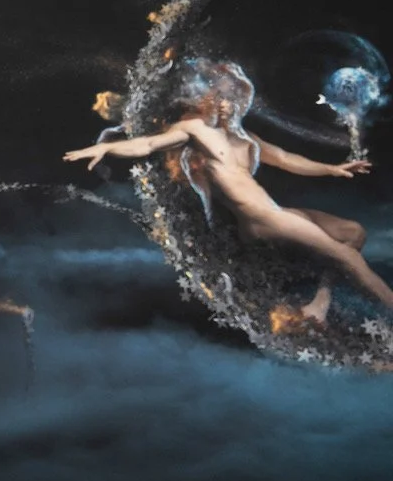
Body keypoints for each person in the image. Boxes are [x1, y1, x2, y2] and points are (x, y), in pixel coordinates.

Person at [64, 58, 391, 322]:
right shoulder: (196, 130)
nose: (223, 103)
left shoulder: (245, 138)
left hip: (275, 212)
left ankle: (319, 304)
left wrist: (333, 168)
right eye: (216, 95)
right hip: (259, 221)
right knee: (346, 256)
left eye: (230, 96)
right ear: (203, 98)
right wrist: (106, 148)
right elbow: (149, 144)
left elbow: (286, 159)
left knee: (353, 233)